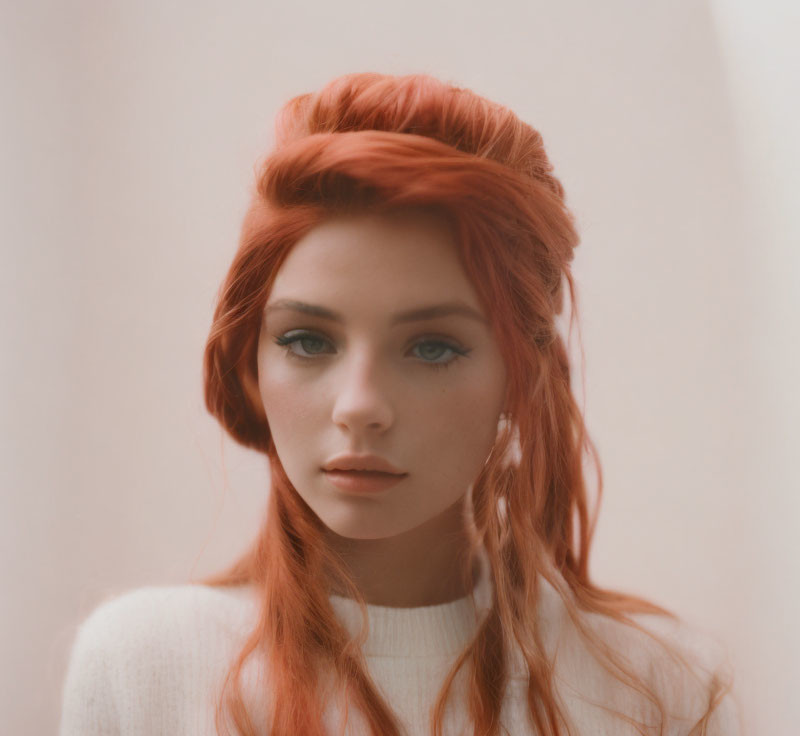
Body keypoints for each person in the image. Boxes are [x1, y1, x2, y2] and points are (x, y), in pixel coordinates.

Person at [59, 72, 741, 736]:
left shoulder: (662, 690)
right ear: (248, 363)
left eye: (433, 348)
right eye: (307, 340)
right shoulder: (141, 669)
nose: (360, 407)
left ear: (521, 376)